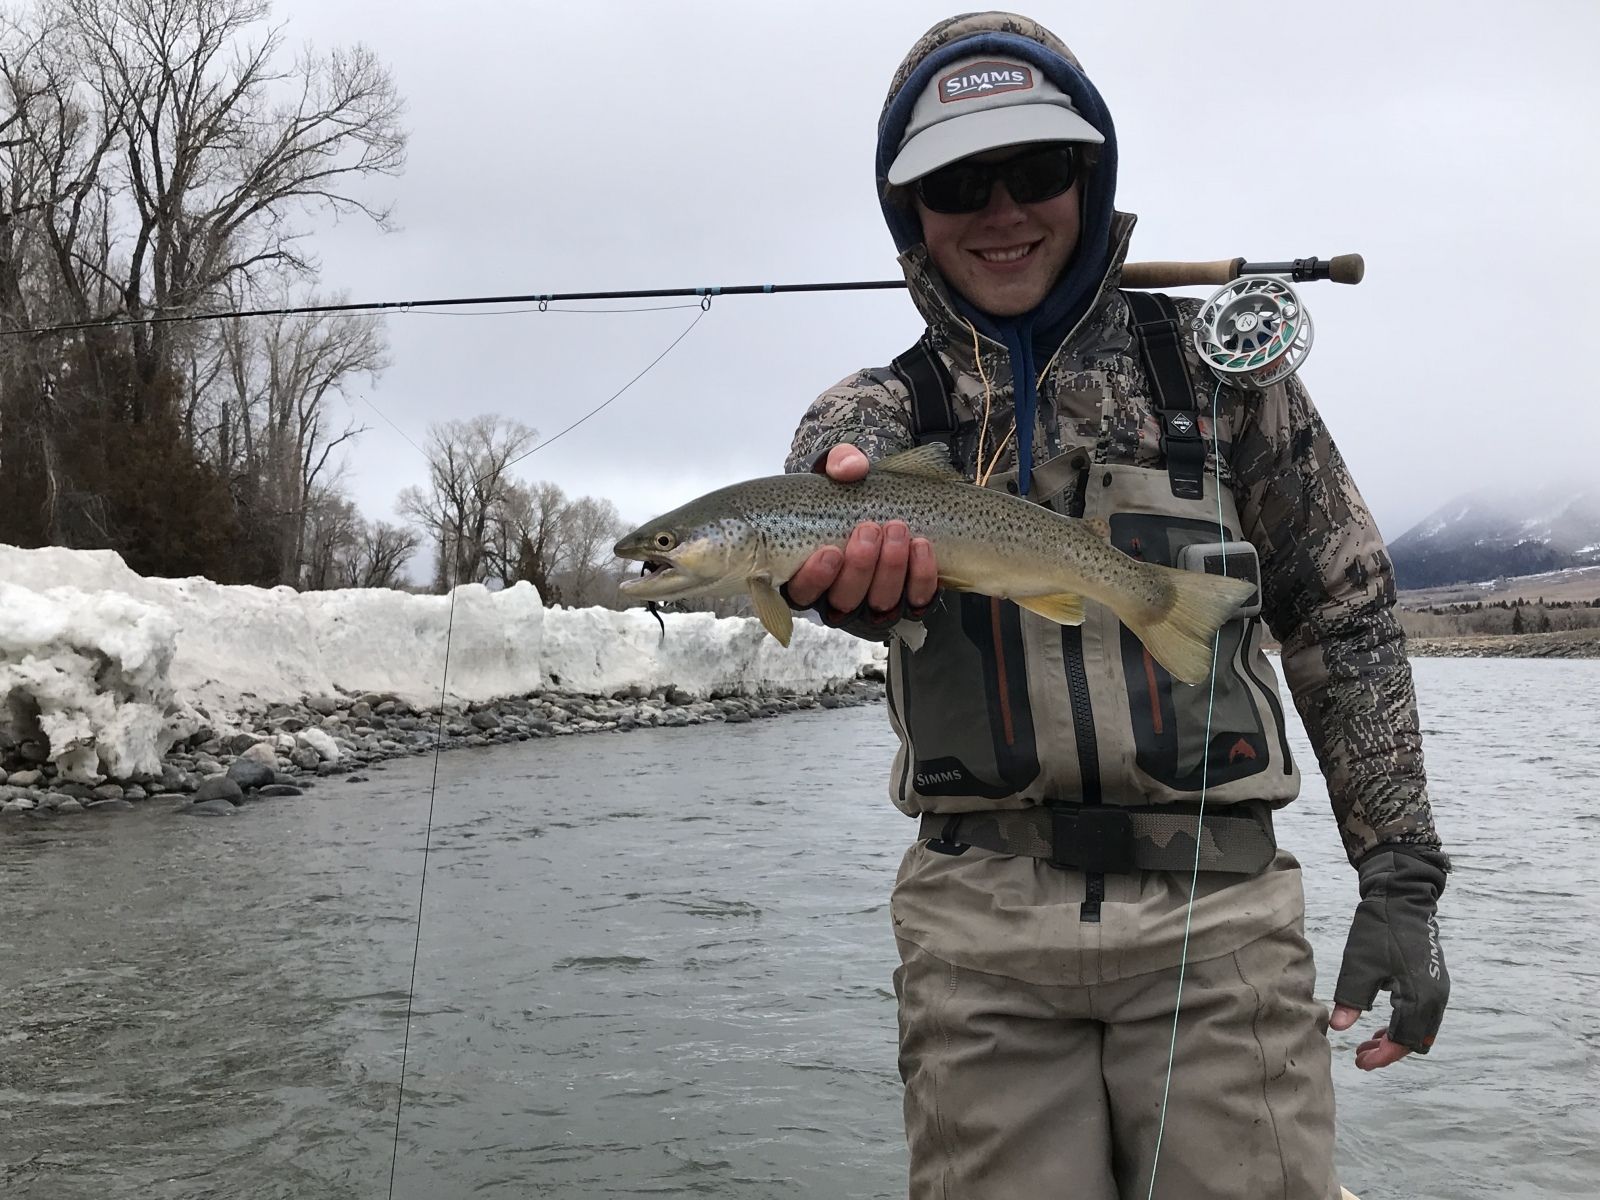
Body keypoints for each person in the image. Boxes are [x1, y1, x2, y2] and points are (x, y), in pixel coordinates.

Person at [782, 12, 1450, 1200]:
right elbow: (823, 509)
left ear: (1090, 175)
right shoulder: (876, 417)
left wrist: (1398, 881)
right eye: (953, 183)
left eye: (1037, 171)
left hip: (1218, 918)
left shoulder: (1220, 379)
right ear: (910, 216)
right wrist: (832, 578)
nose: (999, 212)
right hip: (976, 939)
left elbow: (1342, 619)